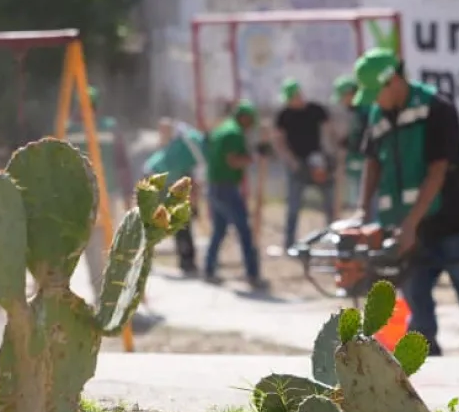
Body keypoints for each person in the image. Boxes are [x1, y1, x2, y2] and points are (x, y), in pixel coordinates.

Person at [351, 47, 459, 357]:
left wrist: (409, 225)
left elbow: (437, 172)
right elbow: (372, 162)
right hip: (410, 230)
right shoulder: (379, 115)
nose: (374, 103)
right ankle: (426, 365)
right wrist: (362, 210)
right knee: (417, 304)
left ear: (393, 81)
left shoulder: (437, 108)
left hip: (454, 222)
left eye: (376, 93)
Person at [204, 100, 266, 289]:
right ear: (244, 118)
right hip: (226, 187)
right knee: (244, 231)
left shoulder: (222, 129)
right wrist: (253, 157)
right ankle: (252, 274)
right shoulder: (234, 133)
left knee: (219, 230)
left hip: (214, 186)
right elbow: (233, 161)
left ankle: (208, 269)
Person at [272, 78, 335, 249]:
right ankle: (289, 243)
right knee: (293, 206)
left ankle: (335, 238)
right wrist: (289, 161)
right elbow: (279, 140)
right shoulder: (284, 115)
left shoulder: (315, 110)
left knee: (330, 204)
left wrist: (329, 155)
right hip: (296, 164)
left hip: (316, 160)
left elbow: (329, 131)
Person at [143, 117, 206, 275]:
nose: (162, 133)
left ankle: (187, 261)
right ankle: (145, 258)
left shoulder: (181, 149)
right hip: (161, 189)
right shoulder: (170, 150)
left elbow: (192, 177)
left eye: (164, 130)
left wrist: (194, 201)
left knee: (180, 227)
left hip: (173, 191)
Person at [333, 73, 370, 209]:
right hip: (358, 163)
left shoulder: (365, 111)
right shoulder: (357, 112)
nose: (342, 102)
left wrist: (351, 144)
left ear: (350, 93)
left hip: (367, 164)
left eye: (343, 98)